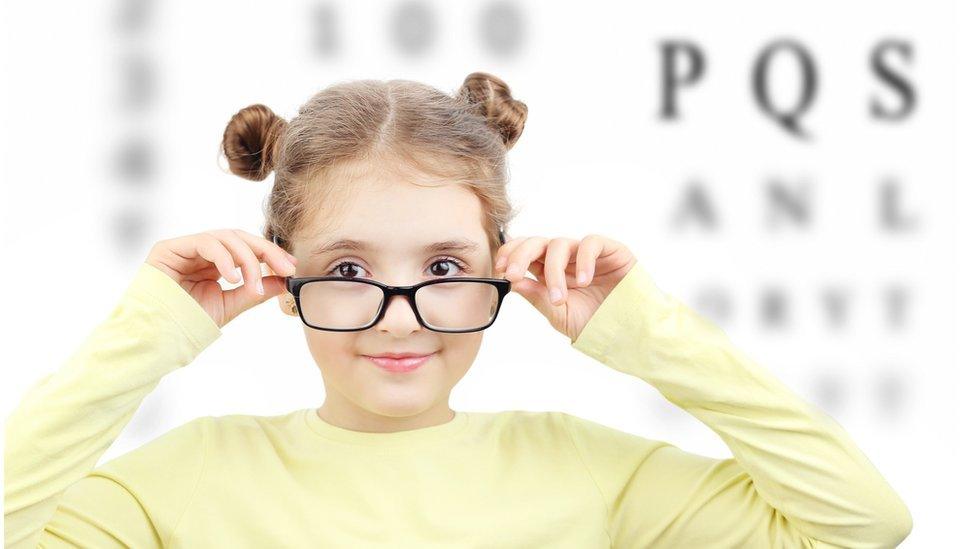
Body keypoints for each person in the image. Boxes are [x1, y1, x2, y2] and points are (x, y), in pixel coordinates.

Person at [4, 72, 912, 548]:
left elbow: (859, 524)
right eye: (348, 266)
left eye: (443, 265)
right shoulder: (186, 479)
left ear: (504, 273)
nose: (401, 318)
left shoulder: (584, 469)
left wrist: (645, 330)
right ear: (280, 282)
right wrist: (149, 333)